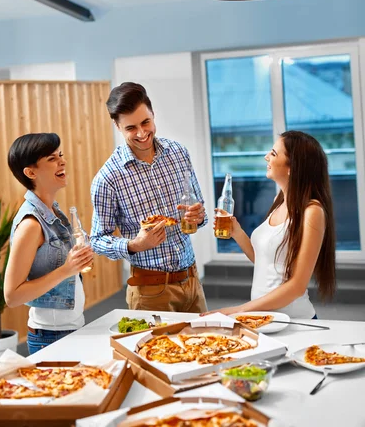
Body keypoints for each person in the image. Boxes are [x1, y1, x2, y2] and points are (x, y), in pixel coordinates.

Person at [90, 82, 208, 313]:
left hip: (193, 282)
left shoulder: (178, 153)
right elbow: (96, 239)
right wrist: (134, 245)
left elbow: (198, 209)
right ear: (117, 126)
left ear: (153, 115)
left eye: (146, 122)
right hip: (149, 292)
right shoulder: (108, 178)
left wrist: (198, 216)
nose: (142, 133)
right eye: (131, 128)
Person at [205, 131, 336, 319]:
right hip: (265, 320)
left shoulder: (312, 211)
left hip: (295, 321)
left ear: (293, 167)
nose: (266, 156)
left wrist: (238, 310)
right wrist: (237, 232)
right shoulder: (279, 200)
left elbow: (297, 286)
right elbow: (265, 263)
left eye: (274, 153)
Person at [4, 133, 94, 354]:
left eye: (60, 155)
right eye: (52, 159)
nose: (62, 161)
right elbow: (12, 296)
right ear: (31, 172)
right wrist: (67, 269)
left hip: (70, 328)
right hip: (51, 337)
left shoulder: (53, 211)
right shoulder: (31, 225)